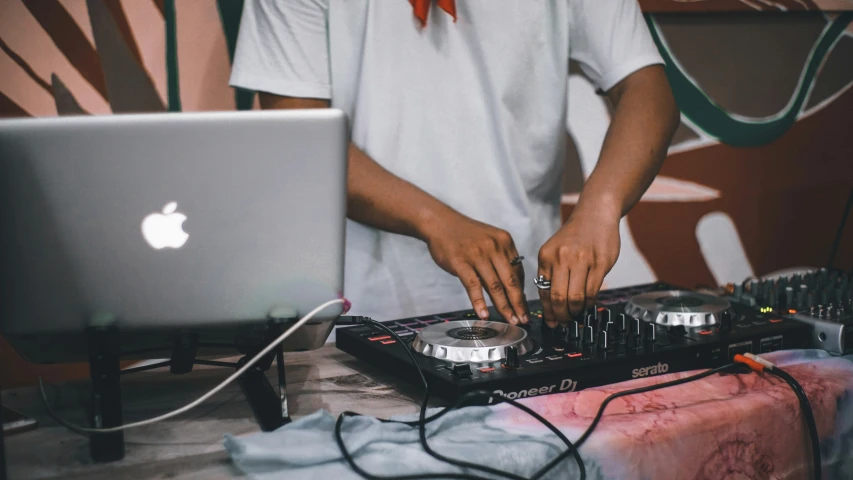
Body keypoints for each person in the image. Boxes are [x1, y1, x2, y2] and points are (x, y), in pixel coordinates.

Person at [229, 0, 679, 327]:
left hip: (525, 310)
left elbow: (647, 90)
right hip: (357, 314)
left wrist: (598, 210)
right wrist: (437, 221)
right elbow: (302, 136)